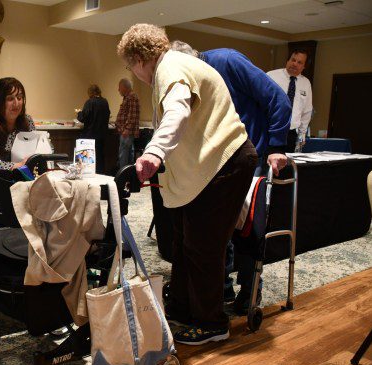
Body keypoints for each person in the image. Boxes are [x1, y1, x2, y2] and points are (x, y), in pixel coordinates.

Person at [118, 24, 257, 345]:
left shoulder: (171, 67)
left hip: (225, 162)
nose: (134, 72)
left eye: (130, 65)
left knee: (203, 246)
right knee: (182, 243)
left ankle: (212, 323)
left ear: (139, 59)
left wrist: (153, 152)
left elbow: (178, 110)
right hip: (209, 168)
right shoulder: (175, 65)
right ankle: (182, 307)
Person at [170, 41, 291, 313]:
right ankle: (222, 288)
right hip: (217, 162)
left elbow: (278, 99)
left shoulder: (227, 61)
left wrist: (277, 145)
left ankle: (250, 292)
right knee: (217, 231)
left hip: (252, 155)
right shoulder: (193, 78)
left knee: (248, 228)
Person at [267, 50, 313, 152]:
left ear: (303, 67)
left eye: (299, 62)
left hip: (291, 133)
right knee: (266, 164)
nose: (295, 64)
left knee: (287, 165)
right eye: (293, 60)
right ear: (288, 61)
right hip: (270, 130)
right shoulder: (271, 76)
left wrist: (301, 136)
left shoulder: (306, 83)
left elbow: (307, 111)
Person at [76, 84, 110, 174]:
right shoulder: (105, 102)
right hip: (102, 135)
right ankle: (100, 174)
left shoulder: (90, 102)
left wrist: (79, 112)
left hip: (90, 135)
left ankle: (89, 174)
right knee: (100, 157)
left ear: (90, 93)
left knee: (89, 159)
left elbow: (83, 118)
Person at [115, 78, 140, 170]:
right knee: (128, 155)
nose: (118, 90)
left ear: (125, 87)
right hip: (126, 132)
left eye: (119, 88)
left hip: (126, 133)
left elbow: (132, 116)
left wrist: (126, 130)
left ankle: (123, 177)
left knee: (124, 156)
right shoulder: (129, 97)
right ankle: (128, 178)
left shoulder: (131, 97)